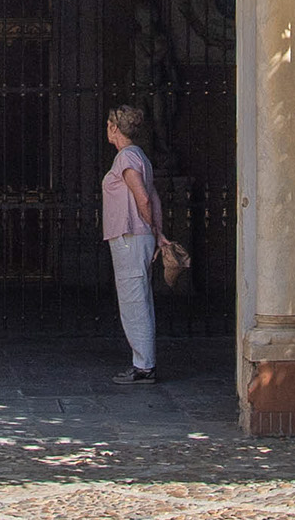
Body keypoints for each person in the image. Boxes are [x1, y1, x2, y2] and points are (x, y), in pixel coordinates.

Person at [99, 104, 166, 383]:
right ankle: (144, 362)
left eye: (108, 124)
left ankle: (143, 366)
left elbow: (144, 197)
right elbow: (153, 196)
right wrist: (157, 232)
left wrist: (151, 227)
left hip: (130, 237)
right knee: (139, 297)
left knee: (133, 300)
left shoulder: (126, 159)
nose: (106, 129)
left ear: (115, 128)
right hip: (139, 237)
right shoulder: (138, 155)